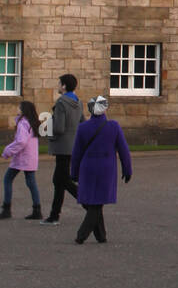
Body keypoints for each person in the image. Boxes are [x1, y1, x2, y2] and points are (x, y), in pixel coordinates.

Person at [70, 95, 132, 244]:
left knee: (94, 201)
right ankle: (82, 235)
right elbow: (124, 150)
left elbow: (76, 152)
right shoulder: (113, 126)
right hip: (106, 167)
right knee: (97, 202)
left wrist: (74, 172)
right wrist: (127, 169)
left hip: (88, 167)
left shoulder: (83, 127)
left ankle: (101, 235)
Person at [42, 73, 82, 225]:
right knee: (58, 181)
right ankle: (54, 215)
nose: (58, 86)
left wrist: (46, 128)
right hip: (72, 145)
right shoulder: (78, 102)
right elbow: (82, 122)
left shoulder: (61, 102)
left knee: (62, 180)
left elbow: (58, 128)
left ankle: (88, 203)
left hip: (61, 146)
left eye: (59, 83)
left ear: (64, 86)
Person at [1, 101, 43, 219]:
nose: (17, 108)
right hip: (29, 158)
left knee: (7, 179)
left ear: (24, 109)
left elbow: (21, 141)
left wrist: (7, 151)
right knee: (31, 183)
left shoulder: (23, 123)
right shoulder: (32, 123)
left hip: (22, 158)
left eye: (19, 107)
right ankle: (37, 210)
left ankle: (6, 209)